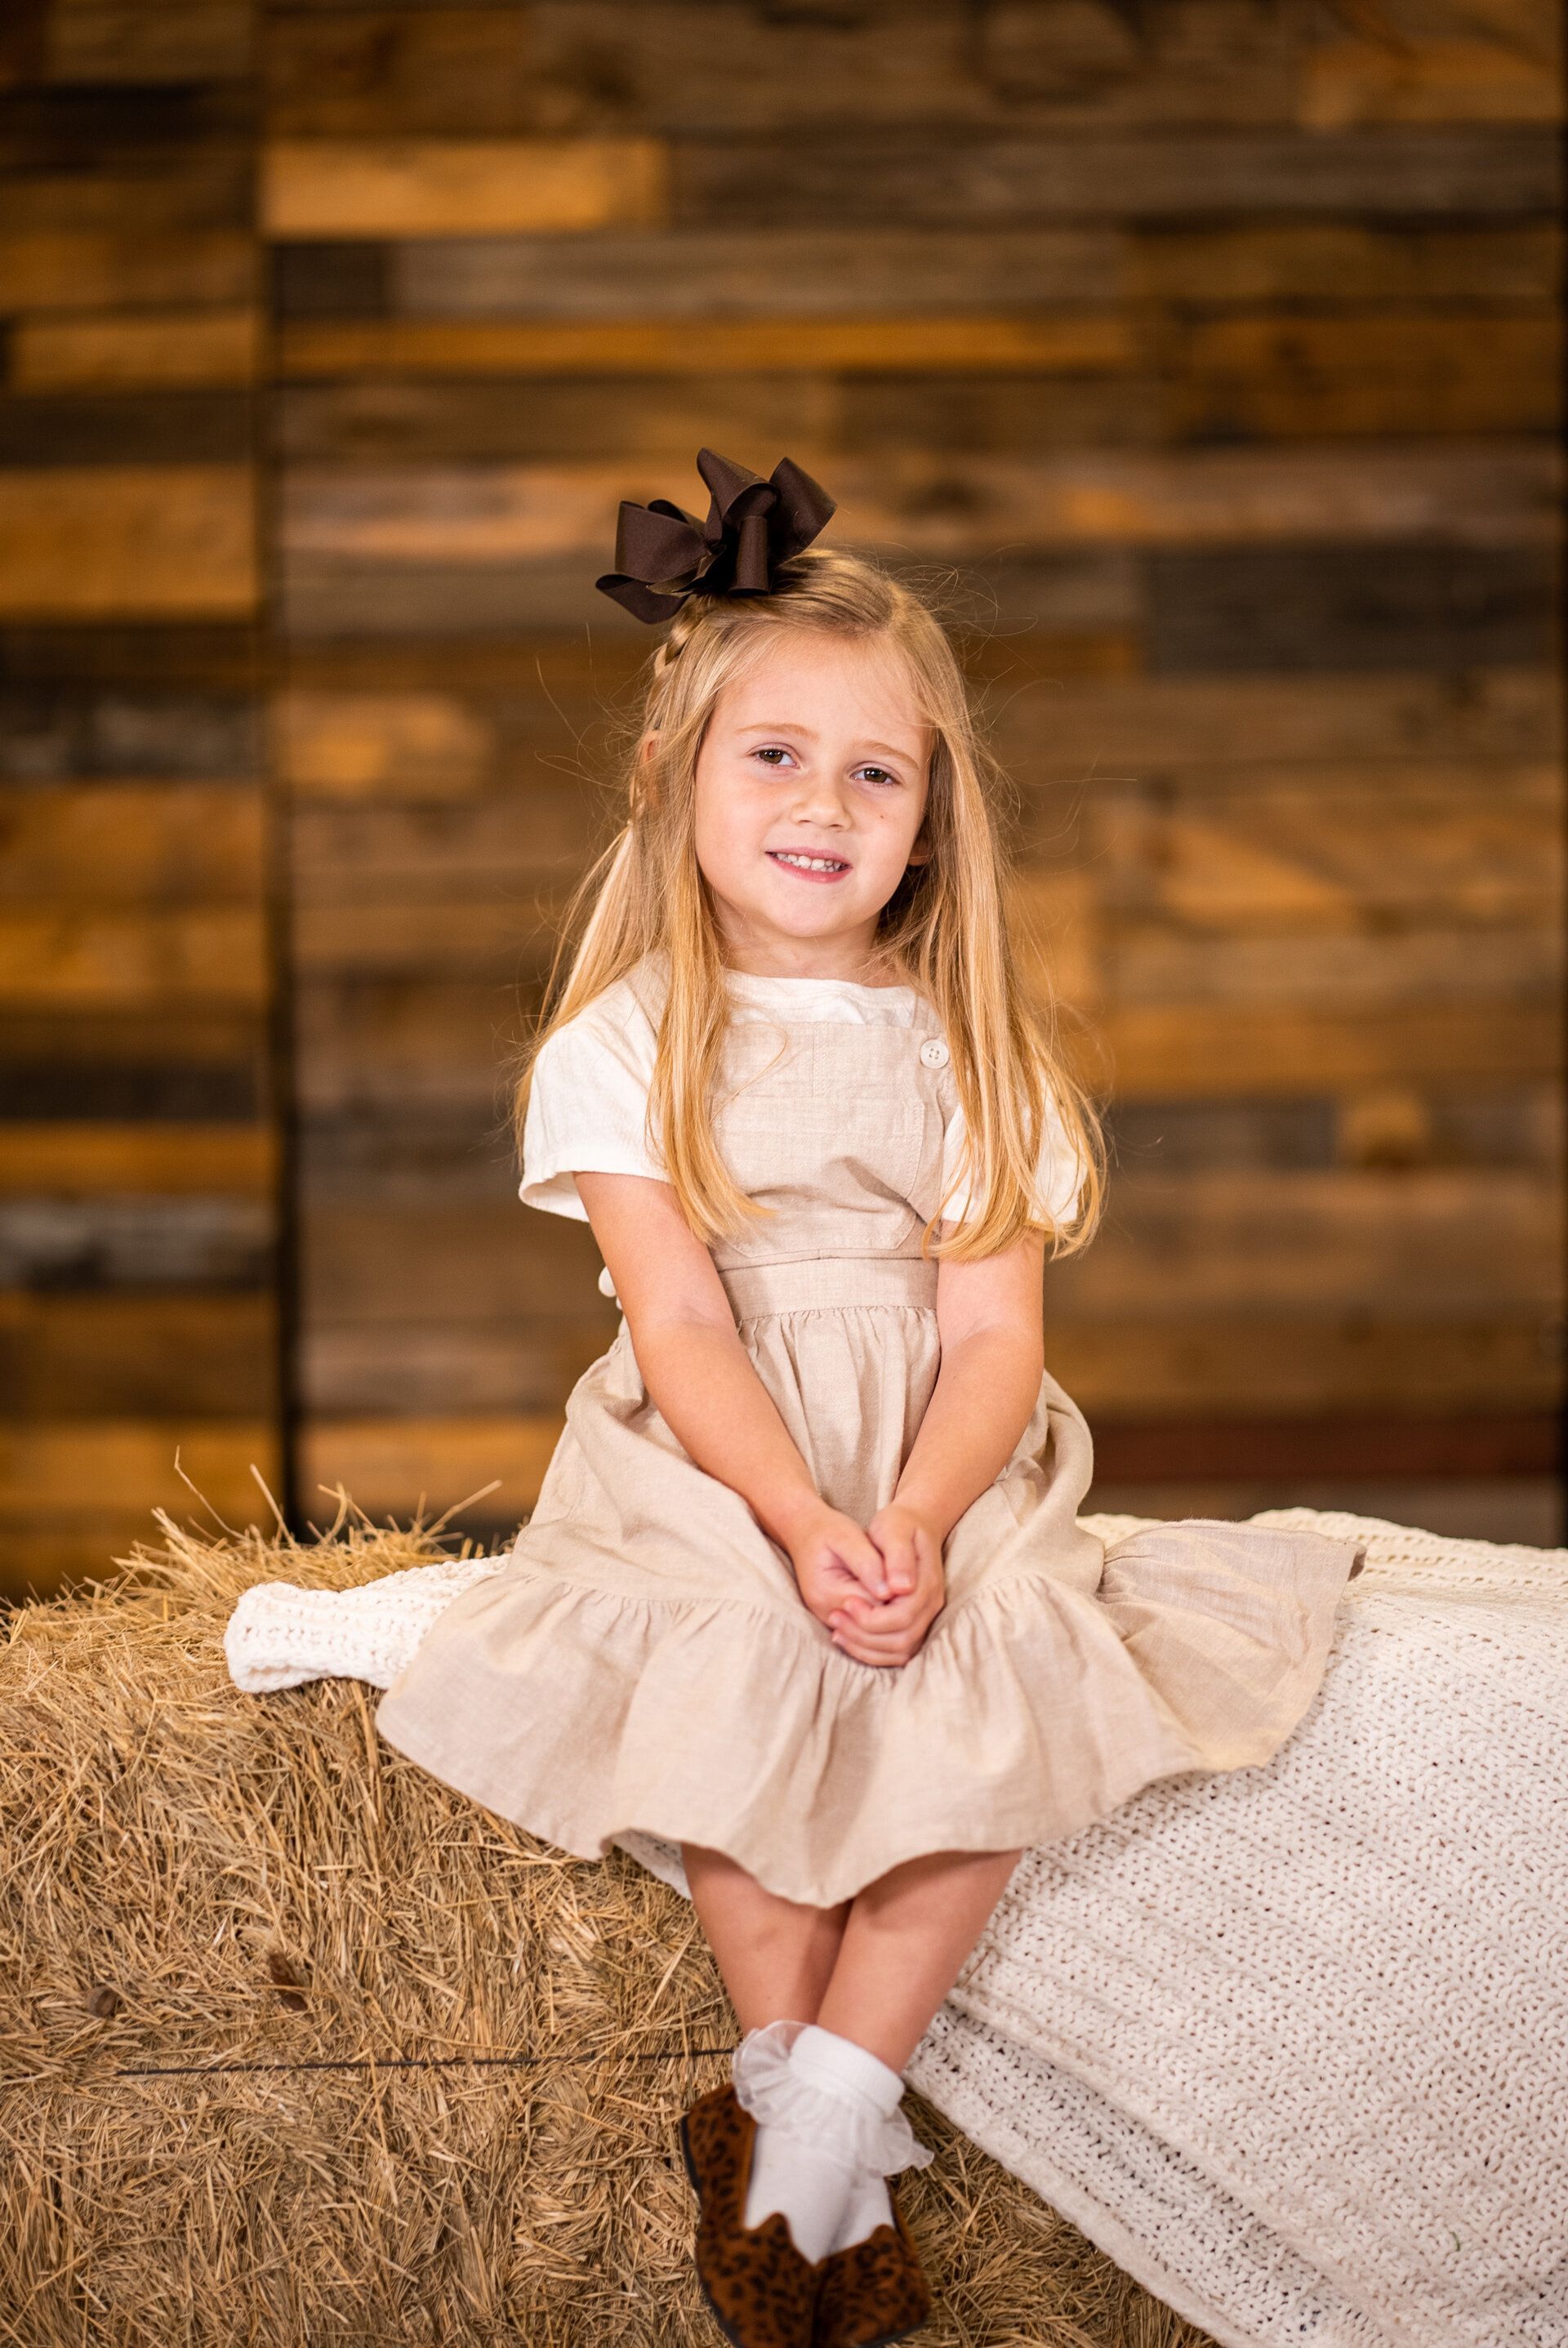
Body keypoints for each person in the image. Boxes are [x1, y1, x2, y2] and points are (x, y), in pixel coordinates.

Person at [336, 450, 1365, 2347]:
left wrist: (908, 1514)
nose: (825, 802)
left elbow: (994, 1345)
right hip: (712, 1446)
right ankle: (780, 2071)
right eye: (777, 757)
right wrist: (807, 1523)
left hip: (937, 1438)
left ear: (930, 819)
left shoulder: (977, 1044)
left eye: (875, 772)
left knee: (996, 1664)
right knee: (751, 1655)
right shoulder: (627, 1038)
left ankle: (820, 2100)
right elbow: (680, 1323)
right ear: (677, 777)